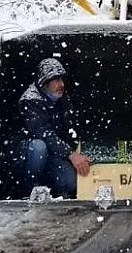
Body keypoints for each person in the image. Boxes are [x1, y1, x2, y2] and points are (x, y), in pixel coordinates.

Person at [17, 58, 91, 199]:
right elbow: (43, 133)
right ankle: (29, 190)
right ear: (44, 82)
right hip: (26, 156)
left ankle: (53, 188)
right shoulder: (30, 100)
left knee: (72, 181)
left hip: (53, 153)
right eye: (56, 80)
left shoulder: (61, 99)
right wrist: (71, 154)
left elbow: (71, 129)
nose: (61, 84)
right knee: (38, 147)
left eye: (62, 80)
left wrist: (80, 150)